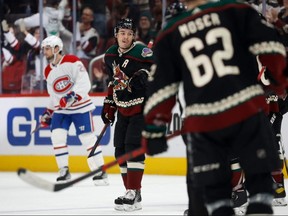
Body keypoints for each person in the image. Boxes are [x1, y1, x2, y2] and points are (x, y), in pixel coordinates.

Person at [142, 0, 288, 215]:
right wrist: (279, 81)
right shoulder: (237, 10)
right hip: (245, 112)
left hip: (203, 124)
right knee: (260, 196)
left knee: (216, 201)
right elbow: (271, 48)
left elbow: (161, 88)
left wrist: (154, 129)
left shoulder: (170, 31)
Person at [40, 35, 108, 186]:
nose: (45, 52)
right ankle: (64, 170)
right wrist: (48, 112)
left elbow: (85, 83)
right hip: (61, 110)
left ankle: (100, 170)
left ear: (57, 49)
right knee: (57, 136)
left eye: (47, 49)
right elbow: (54, 95)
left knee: (87, 138)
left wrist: (72, 97)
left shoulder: (72, 61)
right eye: (44, 49)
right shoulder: (47, 71)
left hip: (80, 107)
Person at [101, 18, 154, 212]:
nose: (126, 37)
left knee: (133, 147)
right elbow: (113, 80)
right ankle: (132, 193)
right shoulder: (109, 55)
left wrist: (146, 75)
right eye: (122, 33)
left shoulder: (143, 52)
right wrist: (109, 103)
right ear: (116, 34)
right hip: (122, 107)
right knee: (120, 150)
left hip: (141, 108)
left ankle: (133, 191)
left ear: (134, 36)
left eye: (129, 34)